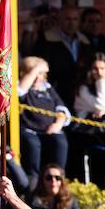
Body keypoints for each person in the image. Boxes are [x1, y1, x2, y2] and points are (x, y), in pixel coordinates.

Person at [18, 56, 70, 188]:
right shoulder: (23, 87)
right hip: (29, 130)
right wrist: (37, 69)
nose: (37, 77)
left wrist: (57, 124)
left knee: (60, 142)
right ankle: (32, 185)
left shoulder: (47, 89)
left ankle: (58, 181)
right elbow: (19, 92)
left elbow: (62, 109)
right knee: (32, 144)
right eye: (34, 73)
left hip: (50, 130)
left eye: (41, 74)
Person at [35, 5, 91, 108]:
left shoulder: (85, 41)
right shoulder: (46, 40)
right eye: (67, 19)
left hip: (81, 95)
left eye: (75, 19)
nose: (71, 23)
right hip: (57, 93)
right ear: (59, 20)